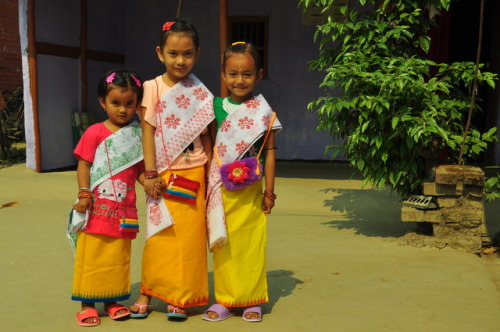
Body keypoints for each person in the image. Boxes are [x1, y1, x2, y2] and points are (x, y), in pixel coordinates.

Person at [129, 19, 214, 320]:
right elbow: (147, 132)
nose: (181, 60)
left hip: (194, 172)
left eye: (188, 53)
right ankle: (149, 292)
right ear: (159, 53)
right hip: (161, 174)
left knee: (189, 240)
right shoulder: (151, 88)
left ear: (198, 54)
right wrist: (150, 174)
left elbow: (207, 135)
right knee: (159, 237)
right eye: (174, 53)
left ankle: (180, 296)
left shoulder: (201, 93)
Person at [204, 42, 282, 322]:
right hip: (220, 187)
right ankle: (225, 299)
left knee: (250, 242)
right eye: (233, 74)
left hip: (251, 189)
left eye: (247, 74)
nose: (240, 80)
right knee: (222, 242)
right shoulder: (214, 107)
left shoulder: (263, 111)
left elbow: (270, 153)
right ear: (223, 75)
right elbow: (209, 146)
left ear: (258, 74)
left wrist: (270, 192)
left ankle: (252, 299)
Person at [69, 69, 146, 327]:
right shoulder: (94, 133)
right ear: (102, 102)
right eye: (115, 103)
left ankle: (112, 301)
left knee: (117, 258)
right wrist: (84, 193)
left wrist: (150, 183)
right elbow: (84, 165)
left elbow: (139, 171)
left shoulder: (138, 136)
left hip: (124, 211)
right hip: (95, 208)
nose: (122, 110)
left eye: (129, 103)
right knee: (92, 256)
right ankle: (87, 304)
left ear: (137, 104)